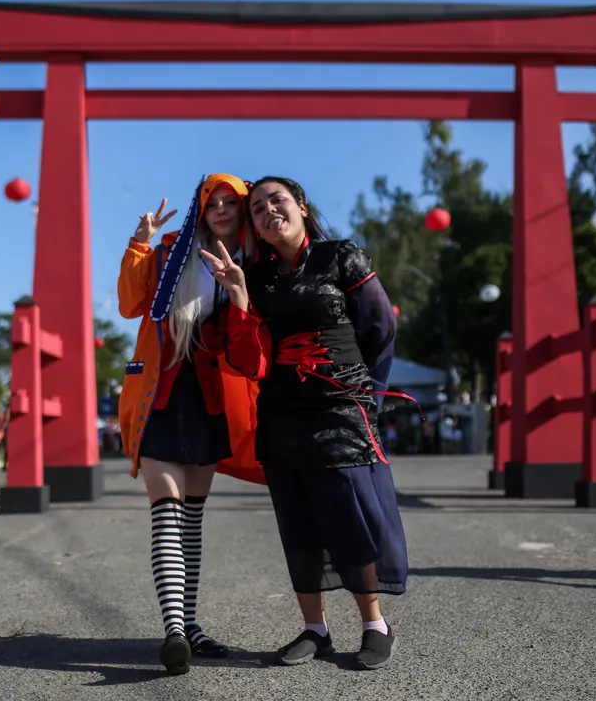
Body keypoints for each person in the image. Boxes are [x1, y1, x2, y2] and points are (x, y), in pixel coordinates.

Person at [203, 176, 408, 671]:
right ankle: (315, 629)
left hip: (342, 406)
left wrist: (369, 397)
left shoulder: (342, 256)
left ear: (301, 206)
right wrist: (238, 297)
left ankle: (375, 624)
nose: (268, 211)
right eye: (257, 208)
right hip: (281, 410)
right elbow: (239, 352)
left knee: (349, 512)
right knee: (297, 521)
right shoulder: (252, 274)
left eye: (278, 200)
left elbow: (380, 329)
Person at [117, 173, 264, 675]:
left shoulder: (254, 262)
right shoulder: (168, 251)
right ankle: (175, 629)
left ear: (242, 209)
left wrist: (240, 294)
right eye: (212, 202)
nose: (221, 209)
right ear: (200, 207)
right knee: (166, 513)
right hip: (160, 391)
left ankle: (190, 624)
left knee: (192, 522)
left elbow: (251, 350)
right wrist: (140, 242)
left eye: (230, 202)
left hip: (209, 398)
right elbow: (129, 303)